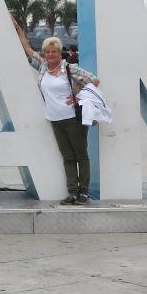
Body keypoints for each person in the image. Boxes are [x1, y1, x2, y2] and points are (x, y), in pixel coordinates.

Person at [23, 34, 98, 204]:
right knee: (68, 157)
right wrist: (18, 29)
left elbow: (94, 81)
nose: (50, 54)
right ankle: (72, 192)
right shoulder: (43, 67)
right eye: (47, 52)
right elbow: (27, 49)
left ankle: (84, 192)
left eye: (54, 52)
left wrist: (79, 97)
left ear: (60, 53)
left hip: (73, 119)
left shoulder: (70, 68)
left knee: (81, 155)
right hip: (55, 120)